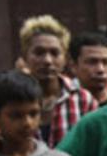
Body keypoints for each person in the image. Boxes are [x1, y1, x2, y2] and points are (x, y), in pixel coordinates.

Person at [19, 15, 99, 148]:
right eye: (39, 53)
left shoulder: (83, 100)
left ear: (65, 59)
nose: (47, 61)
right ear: (25, 57)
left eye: (55, 53)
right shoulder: (13, 100)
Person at [68, 33, 107, 106]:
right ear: (73, 66)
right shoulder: (65, 108)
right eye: (92, 62)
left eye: (105, 62)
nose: (100, 69)